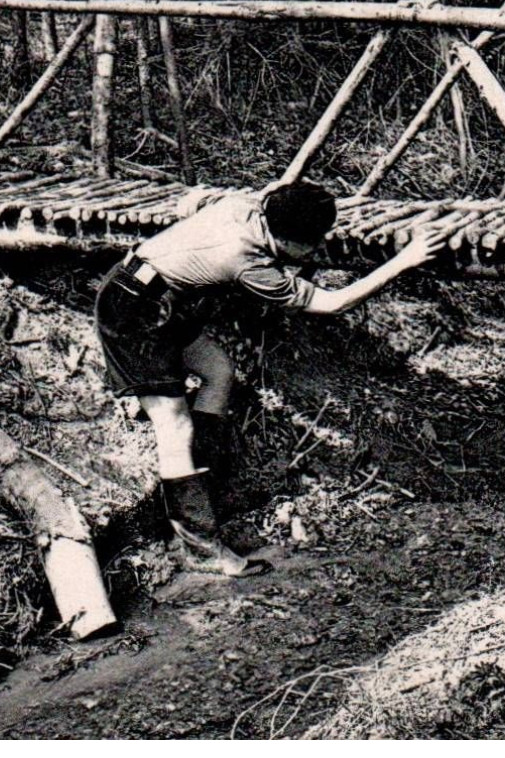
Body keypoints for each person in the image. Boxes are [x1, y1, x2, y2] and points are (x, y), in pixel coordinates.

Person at [94, 180, 445, 576]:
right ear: (286, 239)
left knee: (218, 372)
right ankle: (200, 548)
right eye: (310, 243)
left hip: (165, 301)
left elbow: (190, 201)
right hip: (134, 311)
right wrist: (403, 261)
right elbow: (332, 303)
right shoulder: (248, 265)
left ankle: (206, 480)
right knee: (172, 425)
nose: (315, 250)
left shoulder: (241, 203)